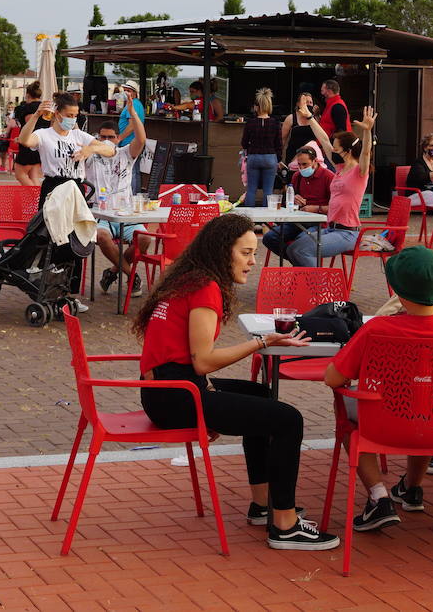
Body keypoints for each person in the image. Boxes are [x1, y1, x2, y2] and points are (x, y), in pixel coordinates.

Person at [134, 211, 340, 550]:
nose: (253, 261)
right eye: (246, 253)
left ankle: (262, 504)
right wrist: (262, 342)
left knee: (261, 395)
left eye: (254, 253)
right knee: (288, 419)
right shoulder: (204, 287)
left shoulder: (190, 279)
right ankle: (285, 525)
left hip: (166, 390)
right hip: (176, 395)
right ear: (221, 250)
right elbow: (203, 361)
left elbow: (189, 362)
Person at [324, 248, 433, 530]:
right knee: (427, 401)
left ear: (398, 292)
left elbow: (333, 378)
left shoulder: (377, 328)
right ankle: (411, 488)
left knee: (346, 411)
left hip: (384, 425)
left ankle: (379, 497)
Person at [283, 103, 375, 267]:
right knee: (292, 248)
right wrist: (310, 118)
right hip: (330, 228)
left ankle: (320, 289)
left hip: (347, 232)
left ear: (347, 150)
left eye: (336, 148)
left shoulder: (359, 172)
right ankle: (306, 285)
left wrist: (367, 131)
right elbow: (324, 139)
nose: (332, 150)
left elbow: (366, 152)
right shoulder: (340, 168)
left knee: (301, 250)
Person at [87, 106, 147, 294]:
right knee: (102, 236)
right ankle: (131, 275)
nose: (106, 141)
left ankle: (113, 272)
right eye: (102, 137)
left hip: (125, 213)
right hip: (100, 214)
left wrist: (134, 114)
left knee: (144, 239)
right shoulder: (90, 157)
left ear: (118, 138)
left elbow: (141, 139)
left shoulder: (126, 154)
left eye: (111, 137)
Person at [18, 92, 108, 181]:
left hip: (76, 185)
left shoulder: (78, 135)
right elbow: (24, 141)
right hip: (54, 186)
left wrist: (91, 149)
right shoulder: (43, 134)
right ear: (57, 114)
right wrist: (36, 116)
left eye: (75, 116)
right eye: (69, 115)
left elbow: (111, 151)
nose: (72, 119)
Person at [262, 147, 332, 260]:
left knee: (301, 241)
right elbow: (288, 203)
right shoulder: (297, 176)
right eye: (299, 165)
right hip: (299, 220)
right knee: (270, 237)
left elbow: (336, 207)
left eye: (305, 164)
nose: (302, 168)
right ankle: (298, 261)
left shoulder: (328, 177)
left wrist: (316, 208)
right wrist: (294, 200)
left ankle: (299, 262)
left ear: (315, 161)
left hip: (319, 223)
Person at [239, 88, 282, 207]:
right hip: (270, 157)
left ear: (256, 107)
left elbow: (244, 143)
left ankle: (249, 218)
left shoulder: (250, 123)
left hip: (253, 157)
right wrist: (278, 159)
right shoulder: (276, 123)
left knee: (251, 189)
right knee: (268, 191)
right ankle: (266, 222)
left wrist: (250, 148)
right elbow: (279, 144)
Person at [11, 82, 50, 187]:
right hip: (40, 144)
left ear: (28, 95)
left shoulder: (27, 108)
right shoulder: (45, 108)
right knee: (34, 175)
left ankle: (35, 198)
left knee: (20, 174)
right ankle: (37, 200)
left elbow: (30, 127)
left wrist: (20, 138)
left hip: (28, 144)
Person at [404, 133, 433, 211]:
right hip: (416, 194)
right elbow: (422, 178)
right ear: (425, 148)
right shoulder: (418, 163)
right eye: (431, 145)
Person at [280, 91, 317, 164]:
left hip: (311, 158)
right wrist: (280, 159)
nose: (309, 105)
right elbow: (282, 140)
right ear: (299, 104)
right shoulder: (291, 118)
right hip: (293, 156)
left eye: (310, 102)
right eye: (306, 102)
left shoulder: (315, 119)